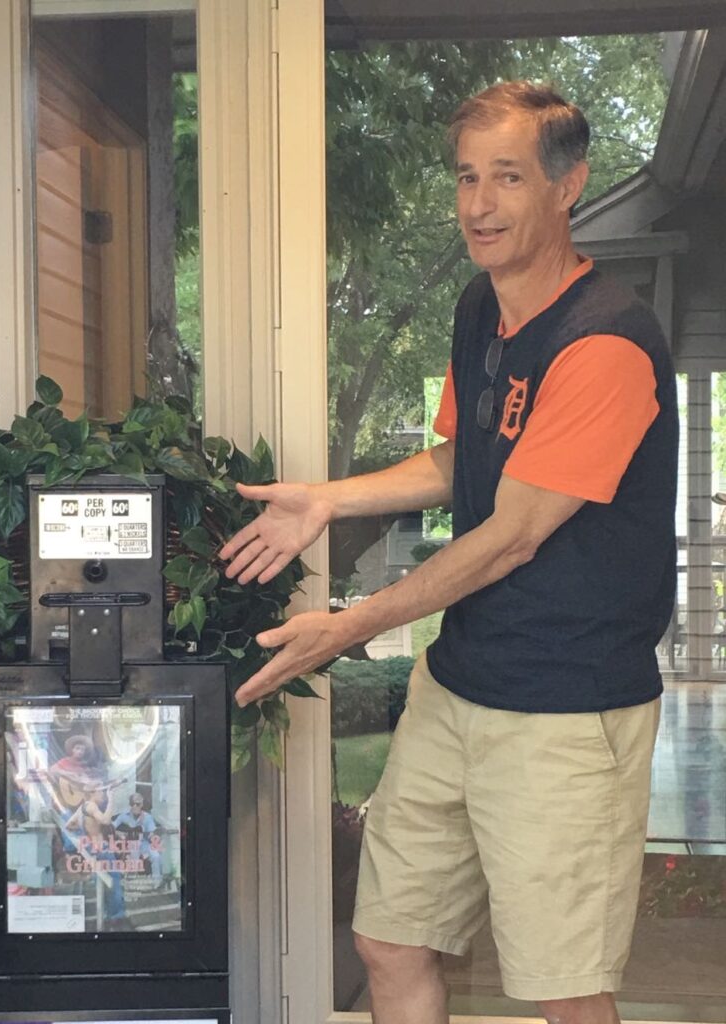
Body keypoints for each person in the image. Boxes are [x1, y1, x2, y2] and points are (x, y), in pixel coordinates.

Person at [220, 81, 677, 1024]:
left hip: (564, 709)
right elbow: (464, 455)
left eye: (506, 177)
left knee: (564, 988)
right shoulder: (484, 308)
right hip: (460, 681)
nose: (478, 204)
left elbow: (511, 534)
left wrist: (347, 628)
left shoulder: (606, 343)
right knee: (389, 940)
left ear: (568, 186)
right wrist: (324, 499)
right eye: (466, 177)